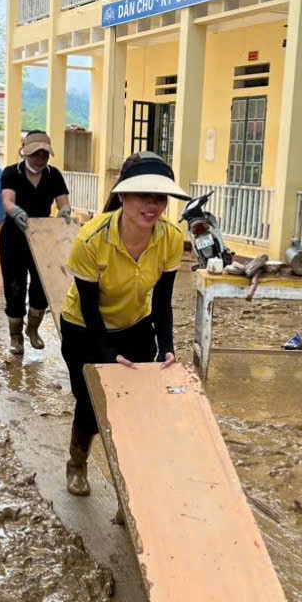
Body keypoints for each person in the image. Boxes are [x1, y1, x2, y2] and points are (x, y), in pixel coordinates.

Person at [59, 151, 189, 496]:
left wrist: (167, 346)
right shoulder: (91, 239)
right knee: (90, 404)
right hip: (84, 328)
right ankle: (77, 462)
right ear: (122, 196)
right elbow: (89, 305)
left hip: (134, 324)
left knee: (137, 405)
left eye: (160, 197)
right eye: (143, 195)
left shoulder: (171, 237)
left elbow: (162, 300)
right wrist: (106, 352)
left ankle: (131, 484)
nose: (152, 205)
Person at [0, 129, 71, 354]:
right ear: (25, 153)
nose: (40, 160)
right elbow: (7, 200)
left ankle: (33, 329)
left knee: (41, 288)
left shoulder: (54, 175)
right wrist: (15, 211)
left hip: (43, 239)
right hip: (14, 236)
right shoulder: (11, 173)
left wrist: (65, 212)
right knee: (15, 287)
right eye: (35, 155)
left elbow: (63, 202)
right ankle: (15, 336)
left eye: (44, 155)